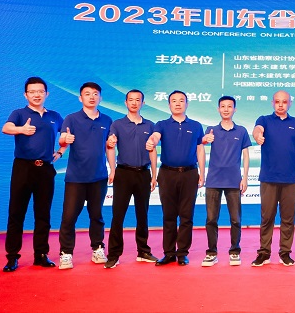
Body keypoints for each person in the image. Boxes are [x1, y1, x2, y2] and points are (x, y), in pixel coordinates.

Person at [1, 77, 64, 272]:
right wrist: (21, 129)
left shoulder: (55, 116)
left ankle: (41, 255)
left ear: (47, 94)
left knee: (43, 214)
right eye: (32, 91)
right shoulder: (19, 113)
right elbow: (6, 128)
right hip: (23, 168)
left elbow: (65, 136)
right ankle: (12, 257)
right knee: (16, 213)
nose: (37, 95)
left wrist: (60, 152)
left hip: (45, 169)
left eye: (40, 91)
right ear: (26, 94)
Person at [57, 82, 113, 270]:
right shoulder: (71, 119)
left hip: (99, 177)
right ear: (80, 98)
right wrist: (64, 140)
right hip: (76, 178)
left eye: (95, 94)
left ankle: (98, 248)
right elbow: (62, 139)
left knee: (97, 216)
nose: (91, 97)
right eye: (87, 94)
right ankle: (66, 253)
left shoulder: (107, 120)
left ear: (100, 98)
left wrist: (113, 169)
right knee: (69, 217)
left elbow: (109, 146)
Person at [147, 90, 206, 267]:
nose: (178, 103)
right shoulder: (162, 124)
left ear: (187, 104)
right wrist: (152, 140)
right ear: (169, 105)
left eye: (181, 101)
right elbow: (155, 136)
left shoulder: (196, 125)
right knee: (169, 215)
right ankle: (169, 253)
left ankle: (182, 253)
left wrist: (202, 173)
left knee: (186, 216)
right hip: (167, 174)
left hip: (190, 174)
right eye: (174, 101)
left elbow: (200, 149)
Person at [252, 90, 295, 266]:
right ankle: (264, 253)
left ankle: (285, 252)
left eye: (284, 102)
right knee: (267, 217)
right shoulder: (264, 120)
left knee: (288, 218)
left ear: (290, 103)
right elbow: (257, 129)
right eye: (277, 101)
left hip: (290, 178)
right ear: (272, 103)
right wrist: (257, 136)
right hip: (269, 178)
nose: (280, 105)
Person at [104, 89, 159, 269]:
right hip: (123, 173)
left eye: (138, 100)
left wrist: (154, 174)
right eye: (131, 100)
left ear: (143, 103)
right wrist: (112, 170)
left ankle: (143, 251)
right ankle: (113, 254)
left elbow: (152, 150)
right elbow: (110, 146)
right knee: (118, 215)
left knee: (142, 214)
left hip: (143, 173)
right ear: (125, 103)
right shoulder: (117, 124)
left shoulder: (150, 125)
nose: (134, 103)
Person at [201, 96, 251, 267]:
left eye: (230, 106)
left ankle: (235, 251)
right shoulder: (211, 130)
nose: (226, 109)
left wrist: (245, 178)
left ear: (234, 109)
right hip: (213, 180)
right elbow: (201, 144)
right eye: (223, 106)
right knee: (211, 219)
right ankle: (211, 253)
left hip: (234, 181)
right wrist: (205, 140)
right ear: (218, 109)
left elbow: (246, 155)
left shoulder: (241, 131)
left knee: (235, 219)